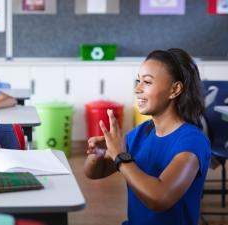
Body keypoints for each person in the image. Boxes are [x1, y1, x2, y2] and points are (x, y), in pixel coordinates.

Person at [84, 48, 211, 225]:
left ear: (175, 89)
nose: (137, 89)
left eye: (147, 82)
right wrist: (97, 155)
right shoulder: (142, 132)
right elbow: (95, 173)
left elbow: (160, 198)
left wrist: (120, 156)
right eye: (138, 80)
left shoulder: (192, 142)